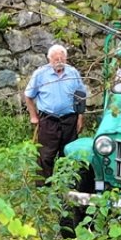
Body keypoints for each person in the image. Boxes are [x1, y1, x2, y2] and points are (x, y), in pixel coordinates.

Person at [24, 44, 88, 180]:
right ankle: (44, 188)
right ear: (49, 60)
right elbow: (28, 96)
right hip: (48, 120)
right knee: (46, 155)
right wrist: (33, 117)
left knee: (68, 153)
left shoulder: (73, 72)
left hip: (69, 119)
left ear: (66, 58)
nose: (59, 61)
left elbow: (81, 95)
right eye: (55, 59)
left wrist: (80, 117)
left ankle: (66, 187)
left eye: (62, 58)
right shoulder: (40, 74)